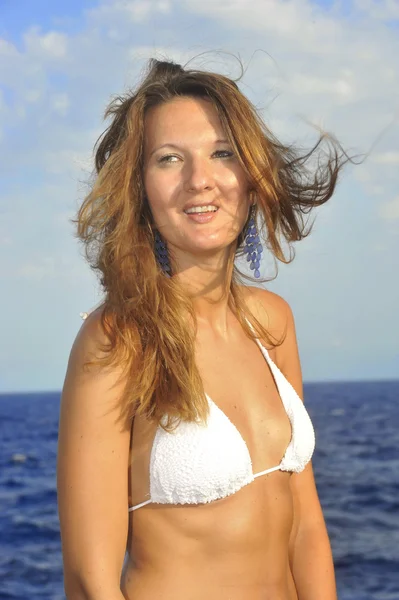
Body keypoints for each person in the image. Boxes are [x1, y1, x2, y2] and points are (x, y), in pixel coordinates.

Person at [57, 57, 350, 600]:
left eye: (222, 153)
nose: (200, 180)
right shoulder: (119, 341)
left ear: (251, 172)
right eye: (169, 159)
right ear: (139, 188)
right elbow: (89, 581)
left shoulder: (271, 322)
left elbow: (306, 522)